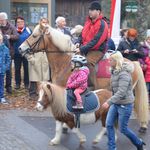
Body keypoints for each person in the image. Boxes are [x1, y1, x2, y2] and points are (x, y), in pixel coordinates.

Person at [102, 51, 146, 150]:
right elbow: (114, 89)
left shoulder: (124, 74)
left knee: (123, 129)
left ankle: (139, 143)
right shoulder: (114, 71)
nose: (109, 61)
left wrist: (108, 102)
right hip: (116, 104)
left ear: (117, 61)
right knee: (109, 125)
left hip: (125, 105)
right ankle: (112, 148)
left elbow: (121, 92)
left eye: (111, 60)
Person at [75, 1, 108, 89]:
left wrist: (82, 49)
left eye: (92, 10)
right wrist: (78, 42)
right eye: (89, 10)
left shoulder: (102, 24)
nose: (90, 11)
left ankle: (92, 87)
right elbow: (81, 35)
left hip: (97, 50)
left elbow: (96, 41)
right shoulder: (87, 22)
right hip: (86, 48)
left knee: (88, 62)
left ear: (98, 11)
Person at [27, 18, 50, 100]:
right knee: (34, 77)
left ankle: (44, 93)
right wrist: (31, 59)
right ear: (40, 23)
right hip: (35, 57)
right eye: (43, 22)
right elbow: (28, 47)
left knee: (45, 77)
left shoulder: (48, 34)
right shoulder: (35, 34)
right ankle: (32, 93)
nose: (45, 24)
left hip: (45, 58)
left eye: (46, 22)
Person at [0, 12, 19, 94]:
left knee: (8, 70)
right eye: (0, 20)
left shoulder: (12, 27)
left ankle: (8, 87)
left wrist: (9, 37)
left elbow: (17, 36)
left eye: (2, 20)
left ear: (5, 19)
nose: (1, 21)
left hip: (9, 52)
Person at [13, 16, 32, 90]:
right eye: (18, 22)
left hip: (26, 53)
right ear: (16, 23)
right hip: (16, 53)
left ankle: (26, 84)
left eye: (21, 22)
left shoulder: (28, 30)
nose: (20, 23)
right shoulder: (14, 30)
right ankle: (17, 83)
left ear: (24, 22)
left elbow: (32, 39)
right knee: (17, 69)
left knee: (26, 69)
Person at [0, 33, 11, 104]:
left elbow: (8, 59)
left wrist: (5, 67)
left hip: (1, 70)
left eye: (0, 40)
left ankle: (1, 97)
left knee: (1, 83)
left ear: (2, 40)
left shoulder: (5, 49)